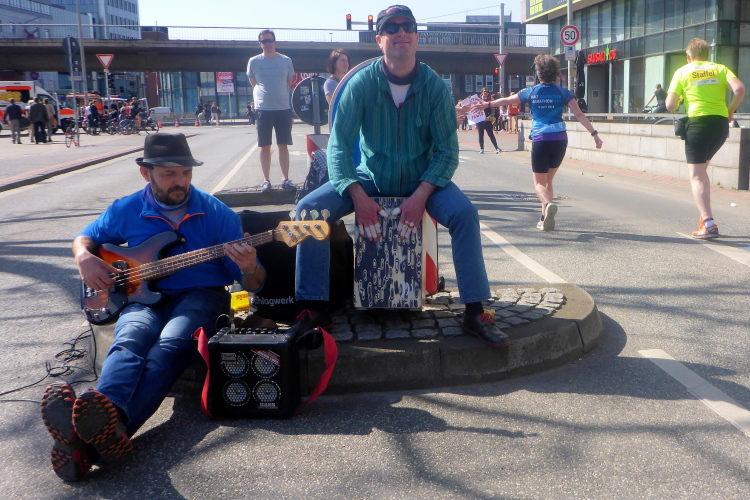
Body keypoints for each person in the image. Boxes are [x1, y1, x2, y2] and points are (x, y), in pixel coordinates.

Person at [40, 133, 266, 482]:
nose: (180, 181)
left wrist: (250, 266)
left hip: (201, 295)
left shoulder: (217, 213)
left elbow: (252, 284)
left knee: (168, 346)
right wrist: (83, 256)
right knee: (129, 339)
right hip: (139, 297)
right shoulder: (126, 209)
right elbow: (86, 237)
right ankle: (104, 432)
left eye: (186, 173)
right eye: (169, 173)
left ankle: (92, 434)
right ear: (146, 174)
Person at [293, 5, 510, 349]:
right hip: (370, 177)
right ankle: (314, 308)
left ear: (416, 37)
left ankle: (474, 311)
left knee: (465, 214)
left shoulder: (434, 87)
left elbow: (446, 152)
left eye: (407, 25)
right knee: (307, 211)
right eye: (391, 28)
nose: (401, 32)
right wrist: (357, 196)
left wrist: (421, 195)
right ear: (379, 39)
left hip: (422, 179)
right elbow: (338, 147)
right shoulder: (361, 84)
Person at [472, 54, 602, 231]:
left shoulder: (530, 92)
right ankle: (544, 218)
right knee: (549, 180)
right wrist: (594, 134)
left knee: (539, 184)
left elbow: (506, 100)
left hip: (541, 139)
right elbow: (579, 114)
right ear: (555, 73)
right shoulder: (563, 92)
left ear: (539, 74)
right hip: (560, 139)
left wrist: (487, 105)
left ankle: (547, 205)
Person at [666, 38, 745, 239]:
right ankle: (705, 218)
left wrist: (681, 97)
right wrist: (730, 110)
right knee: (702, 171)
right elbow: (739, 89)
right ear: (707, 55)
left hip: (698, 124)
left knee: (696, 176)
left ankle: (709, 223)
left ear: (689, 56)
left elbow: (670, 106)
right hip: (720, 125)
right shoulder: (720, 68)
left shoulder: (682, 72)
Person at [247, 29, 296, 193]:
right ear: (260, 44)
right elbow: (253, 83)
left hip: (283, 108)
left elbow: (289, 81)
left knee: (283, 145)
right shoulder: (254, 61)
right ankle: (266, 180)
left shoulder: (286, 60)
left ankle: (285, 179)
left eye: (270, 40)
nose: (267, 44)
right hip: (263, 109)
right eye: (264, 41)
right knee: (265, 146)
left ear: (275, 42)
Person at [476, 87, 501, 154]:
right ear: (482, 92)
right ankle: (481, 148)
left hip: (487, 120)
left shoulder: (490, 101)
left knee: (490, 134)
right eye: (484, 91)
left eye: (487, 91)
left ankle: (496, 147)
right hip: (480, 120)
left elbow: (493, 111)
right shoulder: (478, 100)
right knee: (480, 134)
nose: (485, 93)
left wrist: (489, 117)